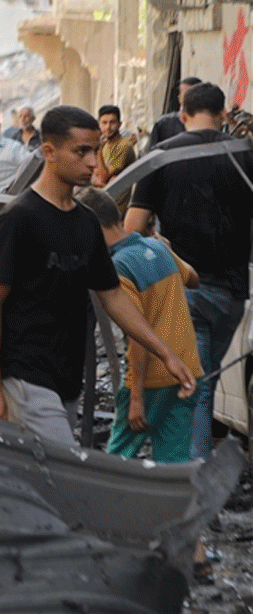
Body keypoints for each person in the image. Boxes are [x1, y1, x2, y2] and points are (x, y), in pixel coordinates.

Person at [0, 105, 196, 446]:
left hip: (66, 377)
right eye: (81, 152)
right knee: (65, 473)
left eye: (94, 151)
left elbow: (113, 296)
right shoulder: (18, 219)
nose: (93, 162)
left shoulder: (87, 222)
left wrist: (164, 352)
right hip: (24, 376)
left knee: (41, 480)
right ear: (49, 152)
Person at [126, 82, 253, 459]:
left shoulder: (163, 155)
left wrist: (155, 242)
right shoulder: (246, 155)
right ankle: (191, 472)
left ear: (182, 116)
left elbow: (132, 228)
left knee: (191, 385)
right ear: (224, 115)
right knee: (203, 382)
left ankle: (190, 479)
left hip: (185, 290)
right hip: (232, 293)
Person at [76, 187, 200, 462]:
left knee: (117, 459)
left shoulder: (117, 267)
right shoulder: (156, 246)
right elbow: (193, 278)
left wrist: (135, 398)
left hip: (151, 379)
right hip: (187, 370)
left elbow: (137, 335)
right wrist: (167, 252)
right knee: (172, 464)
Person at [92, 105, 136, 215]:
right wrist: (100, 182)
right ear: (99, 124)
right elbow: (93, 175)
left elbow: (102, 177)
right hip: (103, 204)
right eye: (104, 123)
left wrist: (98, 152)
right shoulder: (105, 144)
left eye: (112, 122)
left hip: (115, 210)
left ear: (120, 124)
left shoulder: (123, 146)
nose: (108, 127)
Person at [147, 77, 203, 150]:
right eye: (187, 94)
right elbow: (150, 154)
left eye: (195, 95)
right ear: (180, 98)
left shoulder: (210, 122)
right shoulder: (164, 124)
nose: (192, 98)